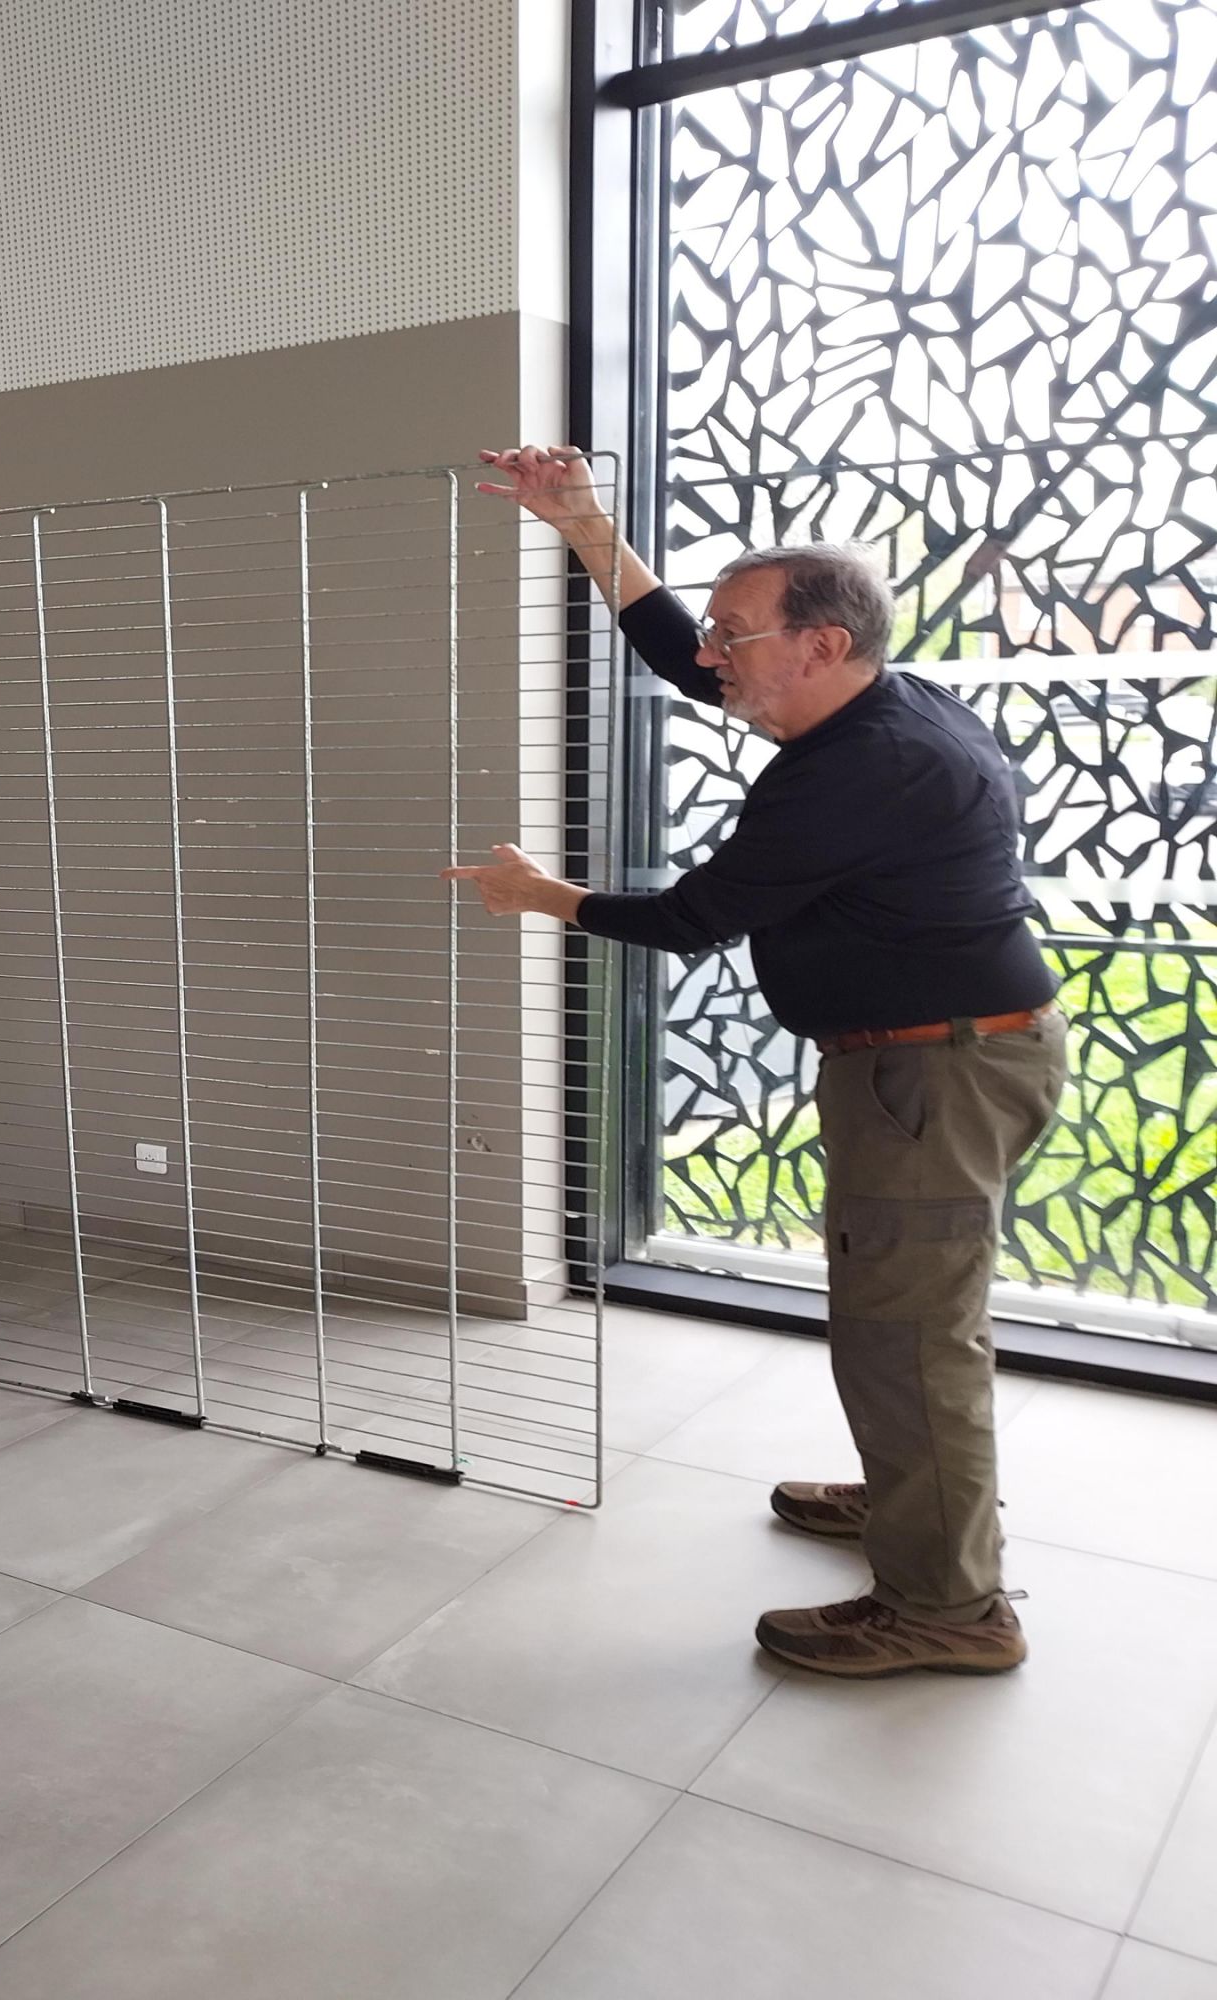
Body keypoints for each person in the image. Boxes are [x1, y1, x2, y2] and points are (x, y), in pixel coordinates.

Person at [451, 446, 1067, 1679]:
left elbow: (693, 916)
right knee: (908, 1320)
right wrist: (582, 525)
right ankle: (915, 1501)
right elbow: (679, 657)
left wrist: (539, 893)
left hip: (934, 1078)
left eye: (735, 633)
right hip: (948, 1060)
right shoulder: (886, 704)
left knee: (906, 1336)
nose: (713, 653)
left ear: (820, 644)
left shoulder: (860, 771)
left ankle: (948, 1606)